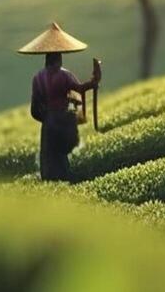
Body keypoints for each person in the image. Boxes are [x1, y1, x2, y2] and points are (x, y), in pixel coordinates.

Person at [18, 22, 102, 182]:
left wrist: (46, 116)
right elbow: (80, 89)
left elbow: (35, 105)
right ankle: (63, 179)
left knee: (49, 154)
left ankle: (50, 180)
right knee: (61, 156)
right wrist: (93, 83)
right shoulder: (64, 75)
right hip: (63, 119)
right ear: (58, 58)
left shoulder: (37, 77)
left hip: (48, 121)